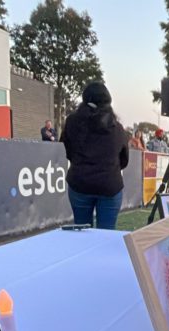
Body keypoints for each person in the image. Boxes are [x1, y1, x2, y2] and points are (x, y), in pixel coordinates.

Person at [60, 82, 129, 230]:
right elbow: (124, 160)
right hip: (110, 185)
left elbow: (68, 150)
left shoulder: (72, 122)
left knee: (81, 231)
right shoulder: (117, 128)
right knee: (106, 235)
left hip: (80, 183)